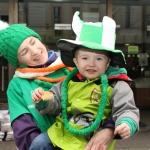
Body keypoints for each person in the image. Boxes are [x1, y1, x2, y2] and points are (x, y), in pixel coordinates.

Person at [0, 19, 116, 150]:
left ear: (39, 39)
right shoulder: (18, 86)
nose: (34, 51)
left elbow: (114, 99)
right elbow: (24, 134)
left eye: (32, 42)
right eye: (24, 52)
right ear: (18, 61)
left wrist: (109, 129)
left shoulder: (76, 66)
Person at [32, 11, 140, 150]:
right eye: (85, 58)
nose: (91, 64)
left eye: (99, 58)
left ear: (108, 64)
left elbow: (127, 109)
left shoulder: (117, 85)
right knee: (38, 143)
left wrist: (126, 123)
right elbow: (55, 104)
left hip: (91, 142)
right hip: (60, 135)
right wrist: (43, 100)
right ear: (75, 62)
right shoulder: (66, 83)